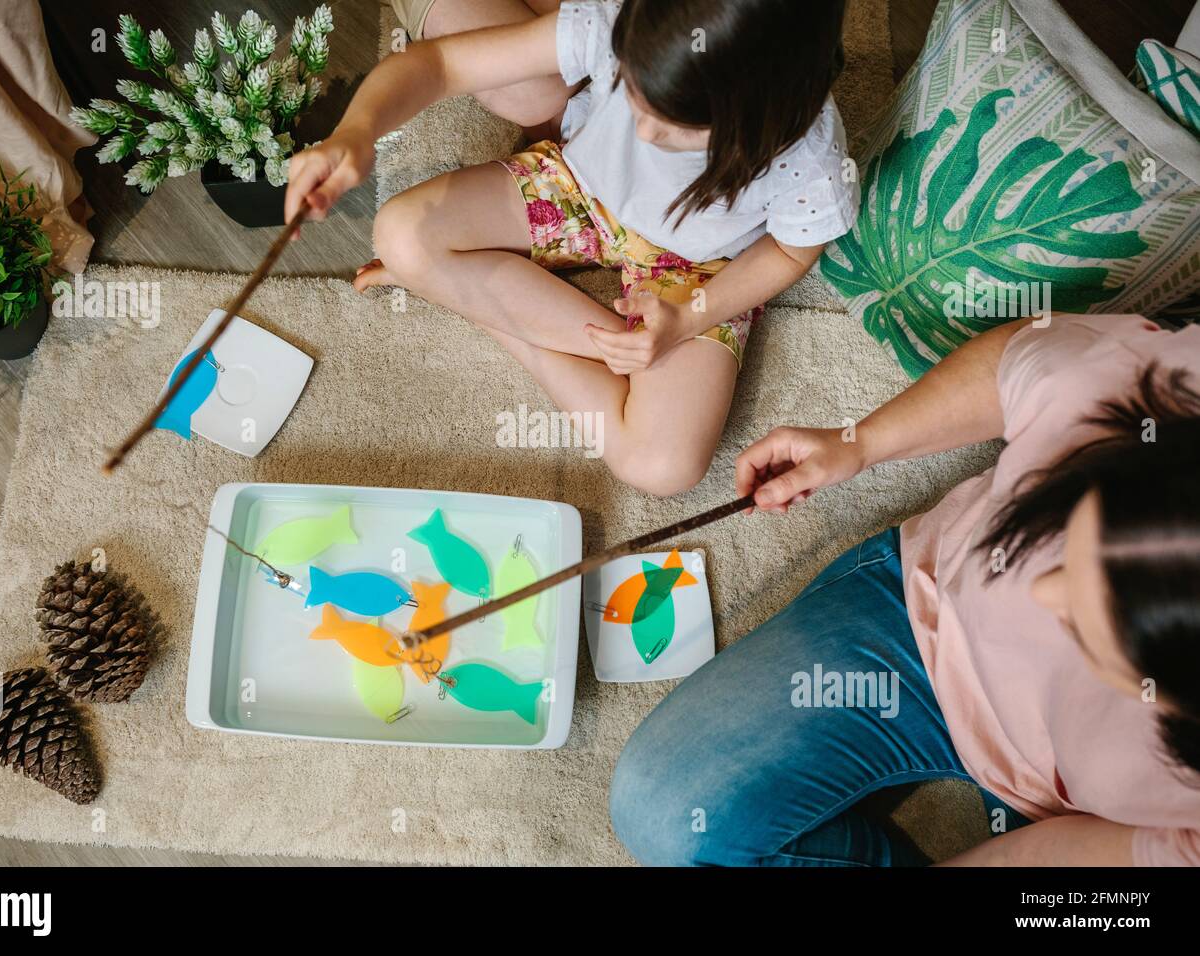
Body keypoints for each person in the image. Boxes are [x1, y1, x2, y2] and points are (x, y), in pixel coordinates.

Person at [610, 314, 1200, 865]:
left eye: (1085, 627)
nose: (1043, 597)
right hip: (924, 617)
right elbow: (1020, 363)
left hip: (1081, 808)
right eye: (1067, 543)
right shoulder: (1153, 387)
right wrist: (858, 442)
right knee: (666, 815)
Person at [285, 0, 859, 496]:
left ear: (757, 120)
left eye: (674, 128)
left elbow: (789, 252)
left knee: (663, 466)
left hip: (698, 270)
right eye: (631, 92)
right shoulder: (617, 21)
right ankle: (531, 316)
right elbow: (439, 62)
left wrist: (688, 319)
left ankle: (496, 315)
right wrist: (356, 131)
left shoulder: (810, 160)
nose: (642, 133)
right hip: (580, 187)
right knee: (402, 232)